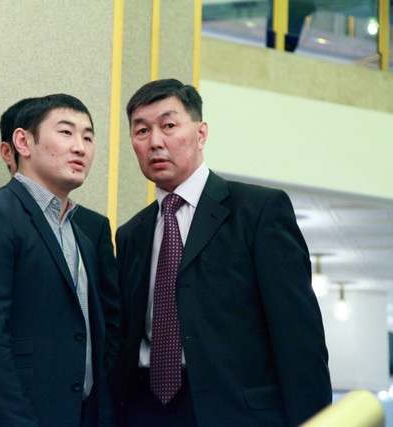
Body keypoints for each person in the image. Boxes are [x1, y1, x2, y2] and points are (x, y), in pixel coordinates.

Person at [111, 79, 331, 426]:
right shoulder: (130, 234)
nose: (155, 142)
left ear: (201, 134)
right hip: (144, 410)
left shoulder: (258, 211)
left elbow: (299, 338)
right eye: (142, 131)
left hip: (235, 413)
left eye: (168, 126)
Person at [0, 94, 115, 426]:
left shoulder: (80, 233)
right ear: (22, 142)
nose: (80, 147)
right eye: (66, 132)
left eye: (88, 137)